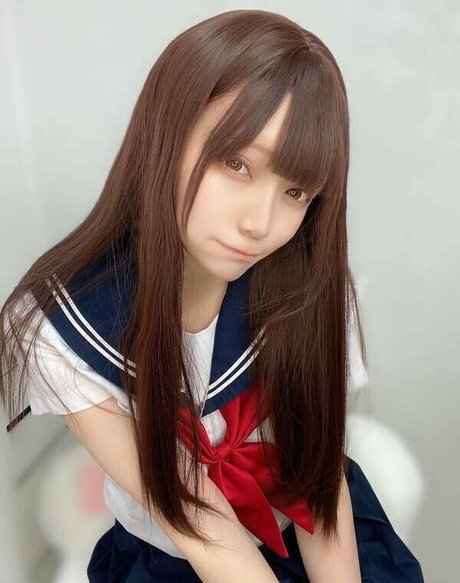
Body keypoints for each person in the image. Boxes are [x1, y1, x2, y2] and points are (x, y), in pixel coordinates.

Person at [0, 9, 424, 583]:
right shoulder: (62, 329)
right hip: (181, 559)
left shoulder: (310, 284)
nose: (261, 223)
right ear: (167, 134)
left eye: (297, 191)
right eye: (236, 163)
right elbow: (204, 532)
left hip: (313, 532)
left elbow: (320, 486)